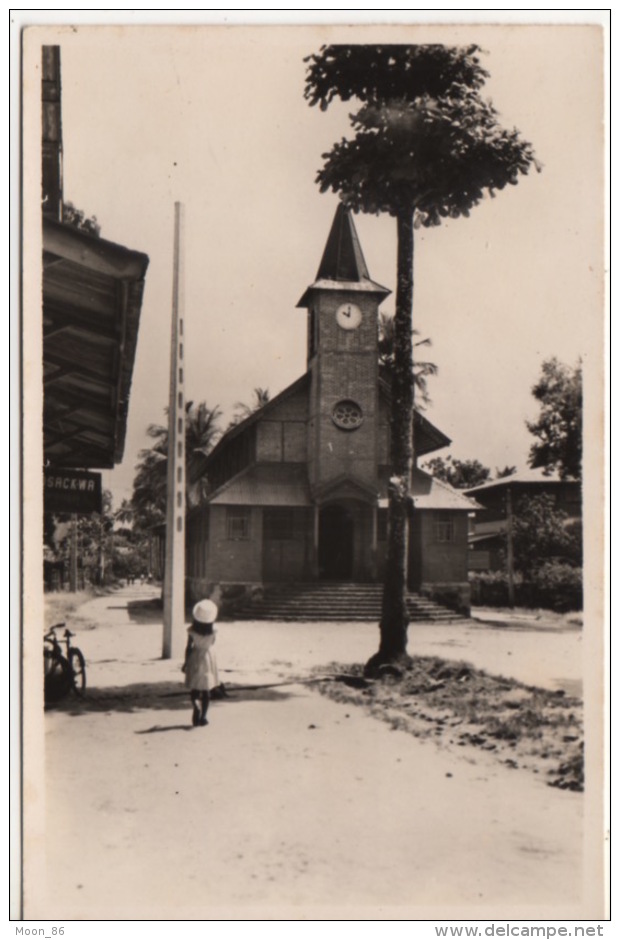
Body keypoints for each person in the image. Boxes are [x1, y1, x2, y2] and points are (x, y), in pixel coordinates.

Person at [182, 599, 219, 727]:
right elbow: (213, 643)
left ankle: (196, 705)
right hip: (208, 657)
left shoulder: (191, 630)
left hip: (195, 656)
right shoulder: (214, 630)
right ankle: (203, 717)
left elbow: (188, 647)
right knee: (206, 689)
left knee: (195, 687)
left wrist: (185, 663)